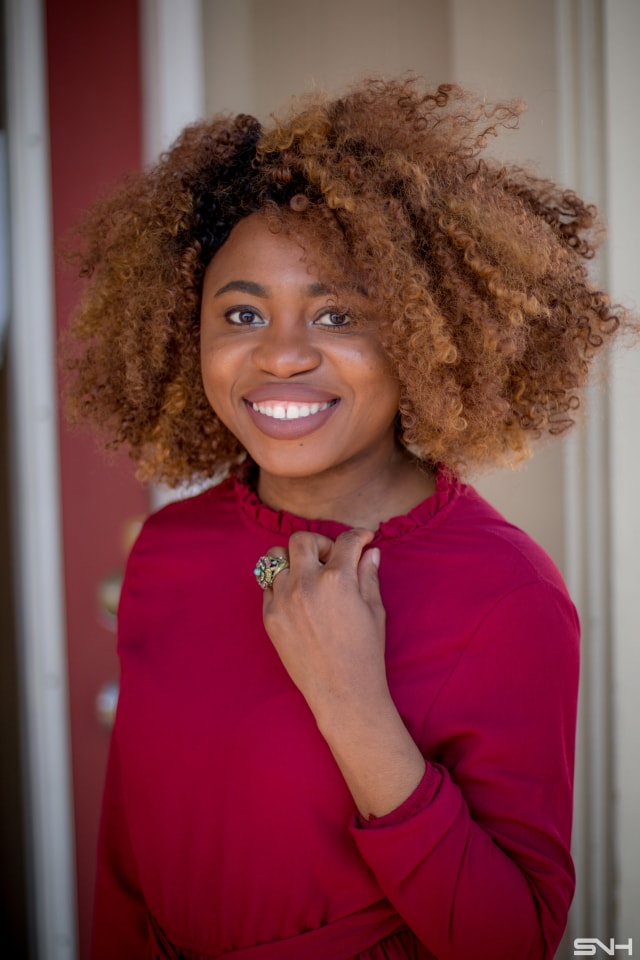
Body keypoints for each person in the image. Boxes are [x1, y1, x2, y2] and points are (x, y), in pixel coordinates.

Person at [65, 77, 629, 960]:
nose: (282, 354)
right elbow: (125, 870)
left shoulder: (506, 594)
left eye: (337, 315)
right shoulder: (169, 550)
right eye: (242, 313)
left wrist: (352, 704)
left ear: (421, 333)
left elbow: (511, 939)